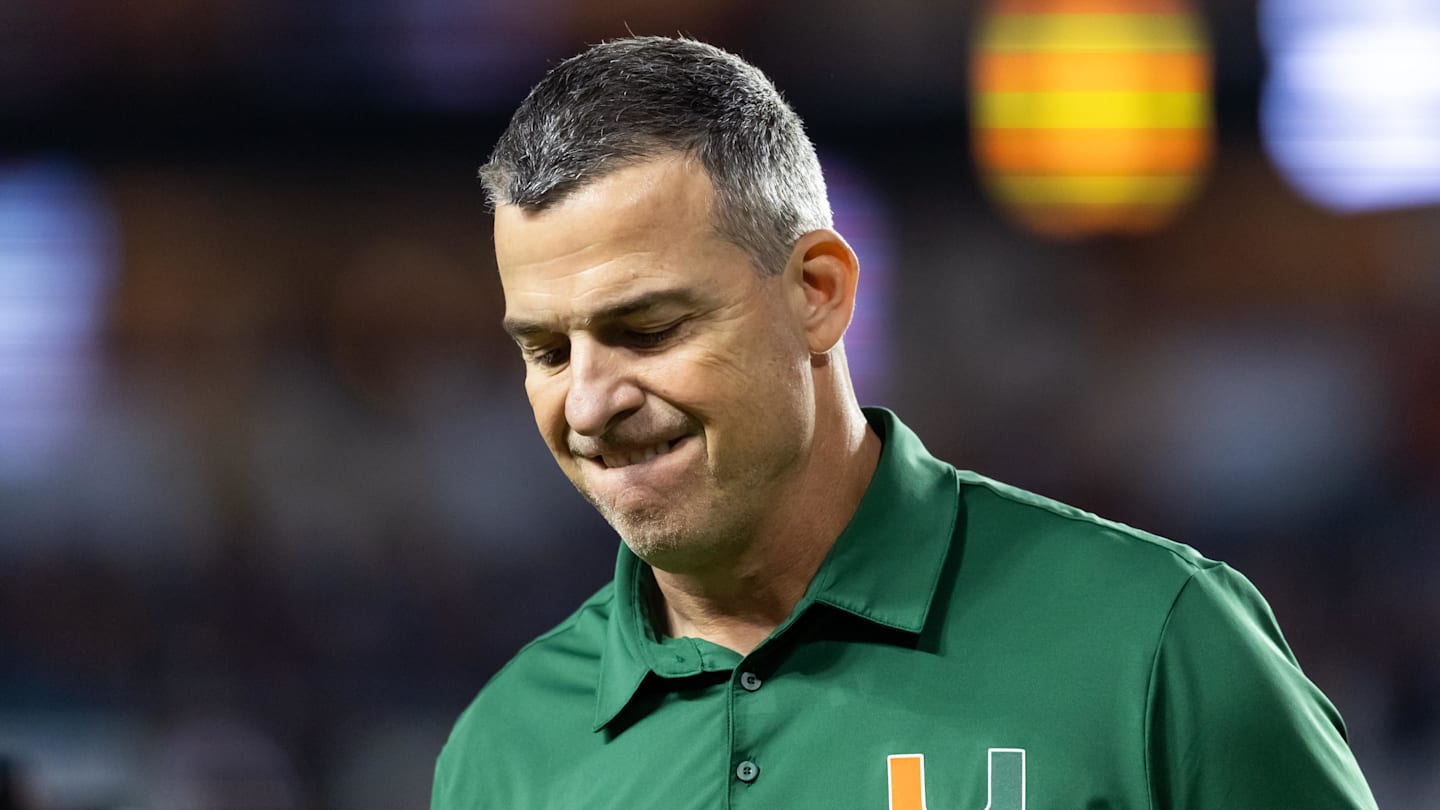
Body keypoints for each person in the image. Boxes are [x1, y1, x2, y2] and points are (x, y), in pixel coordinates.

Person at [431, 36, 1377, 809]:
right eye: (547, 352)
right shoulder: (506, 751)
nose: (591, 403)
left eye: (648, 329)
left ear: (818, 293)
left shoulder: (1158, 645)